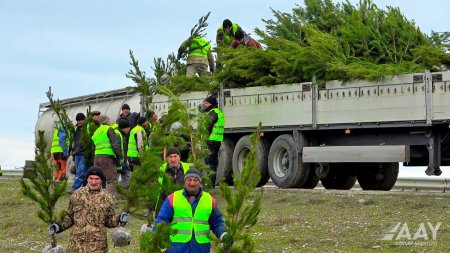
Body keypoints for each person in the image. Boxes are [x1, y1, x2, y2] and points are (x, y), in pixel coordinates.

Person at [48, 167, 129, 253]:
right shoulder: (77, 195)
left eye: (97, 179)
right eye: (91, 178)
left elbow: (109, 221)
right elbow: (70, 217)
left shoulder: (107, 197)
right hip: (76, 244)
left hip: (98, 246)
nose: (93, 182)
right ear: (87, 179)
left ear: (101, 180)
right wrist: (58, 226)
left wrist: (120, 218)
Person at [154, 169, 231, 253]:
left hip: (201, 249)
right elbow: (162, 221)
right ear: (184, 181)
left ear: (200, 183)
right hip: (177, 248)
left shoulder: (210, 200)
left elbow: (217, 222)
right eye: (189, 180)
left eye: (195, 180)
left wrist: (224, 234)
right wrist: (155, 240)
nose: (192, 183)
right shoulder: (173, 198)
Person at [92, 115, 122, 195]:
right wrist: (119, 157)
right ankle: (108, 200)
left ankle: (97, 199)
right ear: (107, 121)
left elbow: (93, 147)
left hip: (97, 158)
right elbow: (115, 145)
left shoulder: (96, 132)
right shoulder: (109, 129)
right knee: (112, 180)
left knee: (100, 180)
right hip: (107, 158)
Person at [203, 96, 225, 185]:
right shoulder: (217, 112)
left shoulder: (213, 113)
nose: (204, 105)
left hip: (211, 141)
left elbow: (208, 127)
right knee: (212, 163)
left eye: (206, 103)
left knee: (210, 164)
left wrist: (203, 139)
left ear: (211, 104)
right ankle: (211, 184)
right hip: (216, 141)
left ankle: (210, 185)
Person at [69, 112, 88, 194]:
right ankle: (84, 188)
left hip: (84, 153)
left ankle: (74, 188)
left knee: (81, 171)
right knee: (80, 172)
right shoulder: (76, 129)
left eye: (81, 120)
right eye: (78, 120)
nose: (79, 122)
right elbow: (74, 142)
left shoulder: (87, 128)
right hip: (76, 153)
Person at [113, 118, 132, 188]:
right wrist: (119, 161)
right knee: (114, 180)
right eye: (128, 128)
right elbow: (116, 148)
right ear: (124, 128)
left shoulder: (122, 134)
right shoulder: (117, 134)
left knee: (128, 176)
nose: (129, 129)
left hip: (122, 161)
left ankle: (121, 192)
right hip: (118, 162)